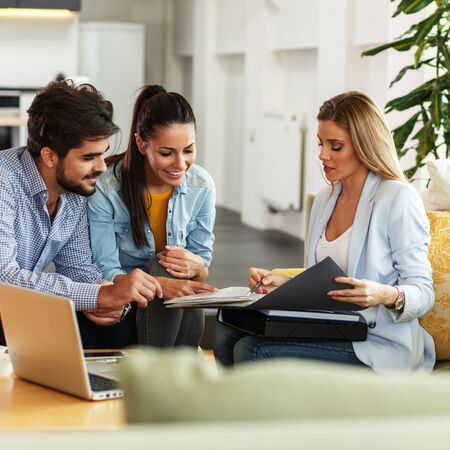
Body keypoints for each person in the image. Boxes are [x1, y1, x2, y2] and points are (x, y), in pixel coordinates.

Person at [214, 91, 435, 373]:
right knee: (225, 332)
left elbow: (424, 293)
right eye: (321, 143)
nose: (322, 155)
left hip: (377, 342)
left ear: (364, 145)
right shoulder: (324, 199)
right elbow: (327, 281)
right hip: (333, 328)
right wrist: (286, 283)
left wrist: (384, 295)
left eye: (335, 146)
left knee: (252, 350)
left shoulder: (397, 198)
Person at [0, 80, 163, 349]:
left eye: (103, 155)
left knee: (118, 327)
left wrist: (109, 301)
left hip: (19, 309)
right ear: (50, 156)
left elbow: (79, 269)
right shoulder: (5, 179)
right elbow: (5, 278)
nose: (101, 168)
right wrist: (100, 296)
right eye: (89, 158)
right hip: (5, 302)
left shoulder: (75, 192)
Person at [87, 85, 217, 348]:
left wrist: (197, 268)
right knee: (164, 267)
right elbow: (104, 268)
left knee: (180, 271)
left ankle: (173, 372)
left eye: (189, 150)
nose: (180, 164)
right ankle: (172, 371)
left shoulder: (202, 186)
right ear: (141, 144)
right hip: (126, 299)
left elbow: (201, 267)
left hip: (174, 304)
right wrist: (159, 283)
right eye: (166, 153)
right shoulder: (107, 187)